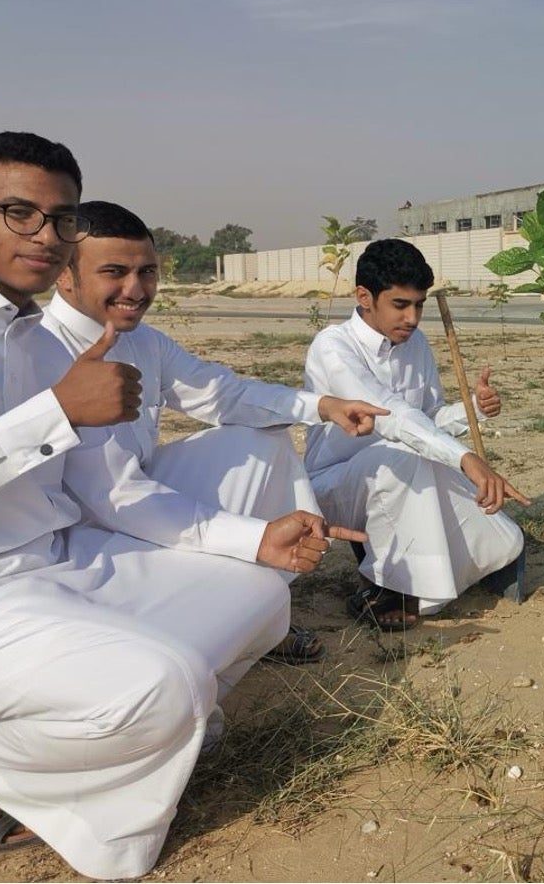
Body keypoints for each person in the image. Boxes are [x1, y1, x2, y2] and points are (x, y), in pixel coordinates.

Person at [0, 132, 358, 879]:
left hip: (55, 563)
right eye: (19, 213)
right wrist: (54, 414)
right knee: (166, 686)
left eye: (60, 220)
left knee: (262, 600)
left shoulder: (45, 344)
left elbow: (112, 491)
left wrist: (258, 541)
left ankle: (133, 723)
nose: (44, 237)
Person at [41, 200, 386, 664]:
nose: (136, 288)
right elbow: (112, 494)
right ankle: (238, 604)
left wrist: (321, 405)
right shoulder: (44, 350)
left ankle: (259, 614)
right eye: (114, 271)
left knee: (259, 439)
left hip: (133, 496)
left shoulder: (142, 339)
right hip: (78, 536)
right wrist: (254, 537)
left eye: (147, 271)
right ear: (65, 273)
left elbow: (224, 395)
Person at [304, 238, 529, 629]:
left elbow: (429, 419)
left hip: (404, 471)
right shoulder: (332, 346)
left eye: (419, 305)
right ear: (364, 296)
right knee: (402, 457)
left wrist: (474, 410)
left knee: (498, 536)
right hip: (335, 487)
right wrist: (466, 458)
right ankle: (392, 587)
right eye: (401, 305)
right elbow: (390, 416)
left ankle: (470, 563)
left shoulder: (416, 343)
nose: (412, 318)